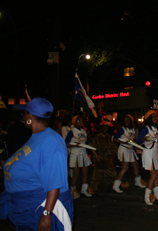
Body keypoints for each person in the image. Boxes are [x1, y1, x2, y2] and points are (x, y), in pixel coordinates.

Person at [0, 97, 74, 230]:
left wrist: (47, 214)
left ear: (31, 117)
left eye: (24, 113)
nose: (22, 117)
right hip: (27, 208)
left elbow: (54, 182)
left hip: (41, 208)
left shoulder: (51, 140)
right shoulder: (35, 138)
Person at [112, 114, 146, 193]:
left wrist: (136, 144)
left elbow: (133, 140)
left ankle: (137, 182)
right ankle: (116, 185)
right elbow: (115, 138)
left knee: (135, 165)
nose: (126, 122)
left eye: (128, 120)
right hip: (124, 149)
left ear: (131, 121)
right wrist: (124, 142)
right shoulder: (122, 129)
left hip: (130, 149)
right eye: (125, 120)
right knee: (125, 167)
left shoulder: (133, 130)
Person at [65, 115, 93, 199]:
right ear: (75, 122)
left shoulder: (84, 131)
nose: (82, 122)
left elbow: (87, 142)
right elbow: (65, 143)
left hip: (83, 153)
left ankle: (84, 189)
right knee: (76, 174)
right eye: (80, 121)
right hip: (75, 154)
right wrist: (75, 145)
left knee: (85, 172)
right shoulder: (72, 131)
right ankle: (73, 191)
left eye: (82, 121)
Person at [90, 124, 118, 192]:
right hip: (99, 158)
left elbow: (113, 146)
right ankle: (94, 186)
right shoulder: (97, 137)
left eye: (106, 128)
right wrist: (96, 156)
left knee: (112, 172)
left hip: (108, 158)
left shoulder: (109, 137)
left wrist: (113, 153)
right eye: (104, 128)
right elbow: (93, 147)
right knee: (97, 174)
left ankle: (114, 183)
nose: (105, 130)